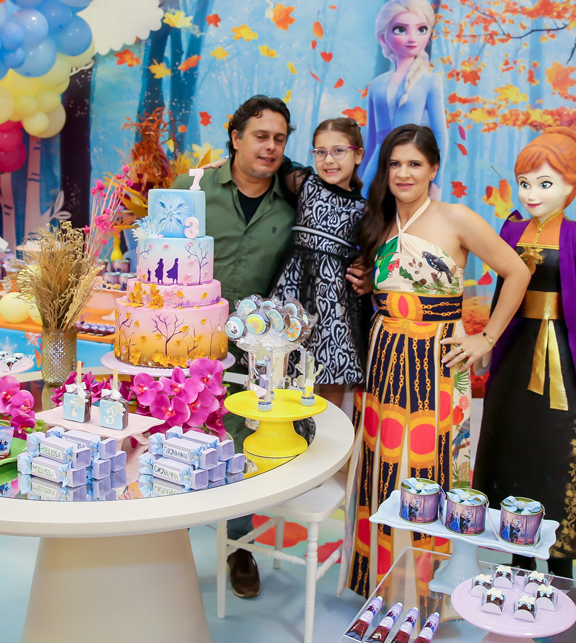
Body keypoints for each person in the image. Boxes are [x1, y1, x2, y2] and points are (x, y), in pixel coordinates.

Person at [343, 124, 530, 597]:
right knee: (382, 463)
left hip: (438, 359)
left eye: (415, 163)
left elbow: (516, 271)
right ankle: (380, 588)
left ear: (433, 169)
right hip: (384, 354)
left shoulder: (456, 217)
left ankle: (430, 594)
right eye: (395, 164)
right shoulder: (379, 221)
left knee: (435, 465)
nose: (403, 173)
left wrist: (486, 337)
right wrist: (370, 284)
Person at [471, 127, 576, 581]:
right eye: (525, 183)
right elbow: (503, 289)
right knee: (511, 438)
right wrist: (490, 339)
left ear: (572, 185)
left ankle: (560, 563)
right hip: (515, 351)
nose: (532, 194)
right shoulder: (511, 229)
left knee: (559, 444)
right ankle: (515, 556)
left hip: (563, 358)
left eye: (545, 183)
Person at [171, 94, 296, 600]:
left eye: (279, 139)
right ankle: (165, 537)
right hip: (185, 342)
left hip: (255, 350)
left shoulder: (293, 202)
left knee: (242, 439)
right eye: (261, 136)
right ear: (236, 137)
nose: (270, 147)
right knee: (177, 433)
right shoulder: (192, 189)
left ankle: (239, 546)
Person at [271, 117, 368, 408]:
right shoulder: (304, 184)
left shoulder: (363, 208)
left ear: (358, 155)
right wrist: (225, 164)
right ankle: (283, 426)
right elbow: (273, 162)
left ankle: (329, 431)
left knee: (331, 367)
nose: (329, 160)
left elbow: (375, 252)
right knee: (280, 362)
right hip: (293, 289)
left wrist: (368, 270)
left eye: (339, 151)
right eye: (320, 152)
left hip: (333, 299)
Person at [358, 0, 447, 195]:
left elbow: (440, 134)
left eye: (421, 29)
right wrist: (361, 178)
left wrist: (436, 180)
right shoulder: (376, 85)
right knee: (369, 210)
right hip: (377, 166)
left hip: (411, 164)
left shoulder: (430, 82)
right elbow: (371, 137)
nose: (412, 38)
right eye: (400, 29)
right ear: (383, 37)